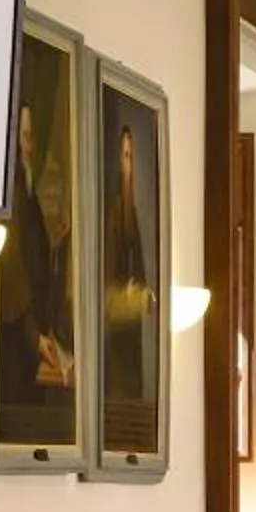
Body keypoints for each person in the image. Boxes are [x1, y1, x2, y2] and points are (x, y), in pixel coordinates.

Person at [0, 97, 75, 406]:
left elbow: (38, 259)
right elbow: (14, 275)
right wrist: (33, 335)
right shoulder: (13, 196)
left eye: (31, 138)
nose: (30, 147)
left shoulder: (27, 194)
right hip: (15, 344)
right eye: (25, 137)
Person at [102, 118, 155, 411]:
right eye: (125, 157)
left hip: (132, 342)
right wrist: (134, 299)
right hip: (113, 349)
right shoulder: (110, 217)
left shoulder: (132, 214)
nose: (129, 167)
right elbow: (104, 299)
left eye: (132, 157)